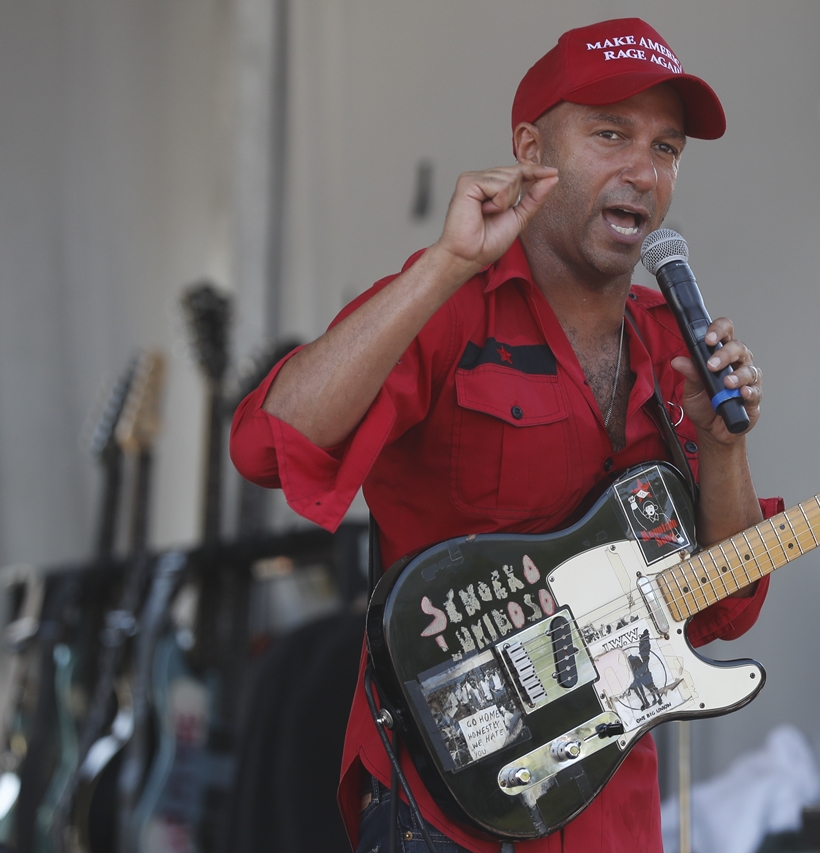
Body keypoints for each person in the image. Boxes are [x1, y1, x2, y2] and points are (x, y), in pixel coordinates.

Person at [229, 17, 778, 853]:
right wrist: (446, 263)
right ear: (530, 149)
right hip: (448, 807)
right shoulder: (449, 306)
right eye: (610, 134)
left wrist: (727, 447)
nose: (644, 171)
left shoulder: (672, 339)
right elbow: (266, 446)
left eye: (667, 149)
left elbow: (721, 604)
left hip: (609, 813)